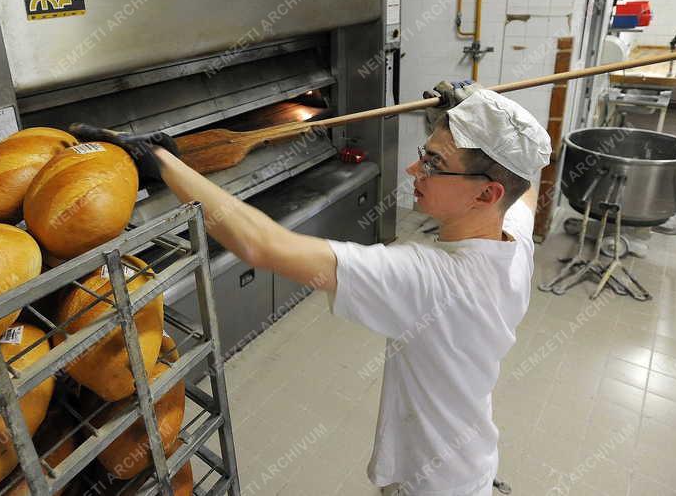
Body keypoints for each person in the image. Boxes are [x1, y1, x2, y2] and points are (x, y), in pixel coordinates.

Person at [69, 81, 552, 496]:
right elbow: (524, 184)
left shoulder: (431, 279)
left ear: (486, 193)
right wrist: (477, 106)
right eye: (423, 155)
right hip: (472, 458)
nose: (413, 171)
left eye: (433, 163)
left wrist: (160, 162)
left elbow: (262, 244)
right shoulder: (513, 243)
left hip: (431, 482)